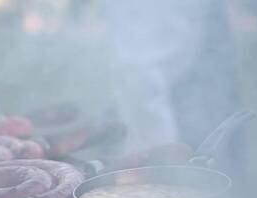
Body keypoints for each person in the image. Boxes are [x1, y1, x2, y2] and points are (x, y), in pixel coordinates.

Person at [104, 0, 244, 176]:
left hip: (199, 108)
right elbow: (139, 71)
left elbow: (141, 70)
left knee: (220, 185)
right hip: (183, 117)